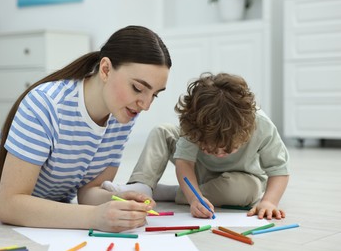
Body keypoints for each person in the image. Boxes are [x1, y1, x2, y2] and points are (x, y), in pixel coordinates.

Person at [0, 18, 172, 232]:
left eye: (155, 95)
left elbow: (88, 191)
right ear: (105, 69)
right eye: (137, 88)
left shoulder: (122, 112)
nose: (146, 105)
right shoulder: (46, 103)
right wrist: (94, 217)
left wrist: (115, 199)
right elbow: (10, 206)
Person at [102, 72, 290, 220]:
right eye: (208, 148)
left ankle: (169, 192)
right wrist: (193, 198)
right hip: (198, 170)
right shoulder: (195, 124)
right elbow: (184, 163)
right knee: (162, 131)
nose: (218, 154)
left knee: (245, 191)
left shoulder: (262, 125)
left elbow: (279, 170)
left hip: (240, 178)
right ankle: (142, 186)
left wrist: (269, 202)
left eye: (226, 149)